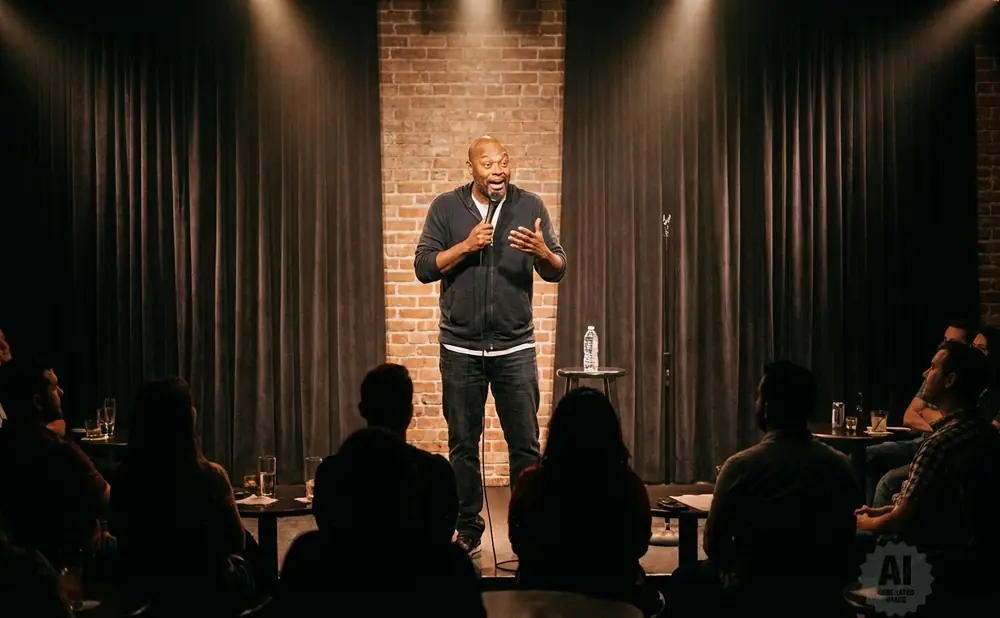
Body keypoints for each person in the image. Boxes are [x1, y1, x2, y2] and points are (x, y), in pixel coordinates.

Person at [413, 135, 568, 555]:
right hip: (461, 350)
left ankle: (528, 530)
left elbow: (558, 267)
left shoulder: (530, 205)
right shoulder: (446, 208)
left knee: (526, 445)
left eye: (503, 162)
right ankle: (468, 530)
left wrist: (542, 253)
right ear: (472, 170)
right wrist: (466, 246)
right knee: (463, 445)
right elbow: (424, 266)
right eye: (488, 164)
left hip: (516, 348)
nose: (498, 171)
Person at [666, 361, 861, 617]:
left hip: (752, 597)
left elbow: (715, 545)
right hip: (821, 598)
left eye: (759, 397)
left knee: (684, 579)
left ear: (766, 409)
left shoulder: (740, 467)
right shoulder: (842, 467)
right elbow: (847, 539)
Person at [508, 387, 659, 615]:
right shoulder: (628, 485)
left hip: (543, 604)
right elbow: (639, 544)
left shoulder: (531, 483)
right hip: (616, 601)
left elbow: (518, 542)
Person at [111, 377, 256, 612]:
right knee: (254, 557)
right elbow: (235, 543)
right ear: (186, 419)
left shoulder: (124, 477)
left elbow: (122, 534)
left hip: (148, 590)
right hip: (207, 592)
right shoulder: (210, 476)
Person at [865, 319, 976, 505]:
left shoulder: (957, 380)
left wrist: (927, 415)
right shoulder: (934, 378)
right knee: (867, 454)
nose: (925, 374)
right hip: (922, 439)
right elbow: (909, 416)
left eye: (952, 342)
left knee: (888, 481)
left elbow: (953, 422)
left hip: (930, 442)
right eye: (944, 339)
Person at [358, 363, 458, 543]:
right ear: (410, 412)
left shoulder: (332, 473)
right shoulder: (436, 473)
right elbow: (442, 534)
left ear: (362, 410)